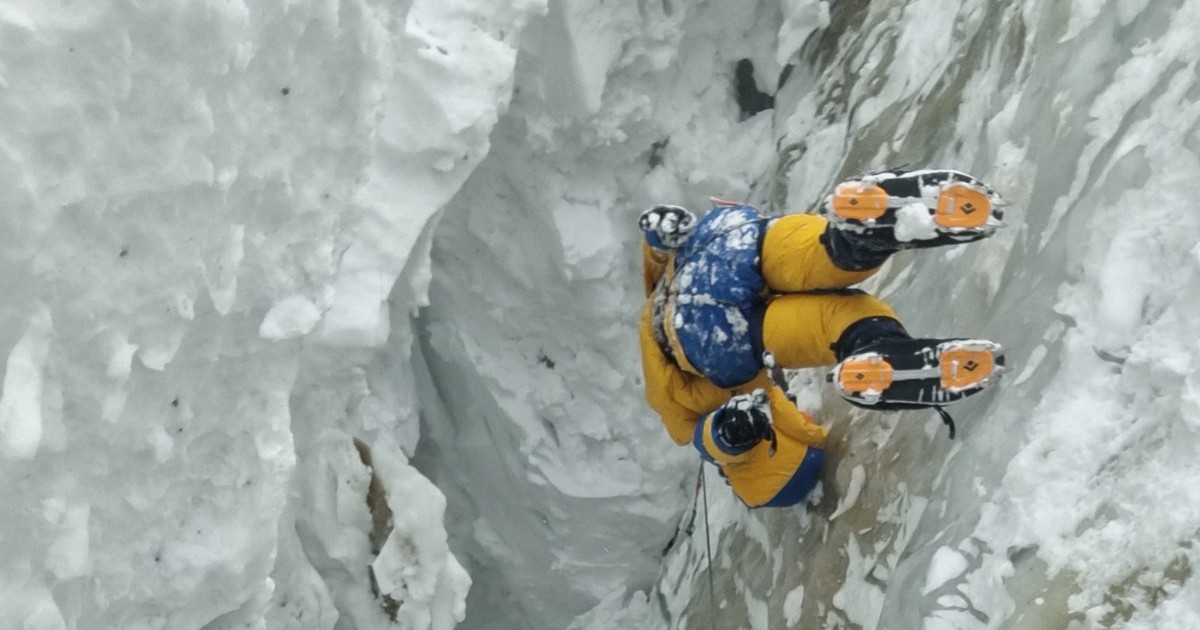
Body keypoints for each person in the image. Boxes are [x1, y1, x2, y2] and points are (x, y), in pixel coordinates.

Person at [638, 168, 1007, 508]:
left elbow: (702, 438)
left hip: (709, 338)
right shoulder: (658, 290)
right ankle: (856, 241)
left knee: (832, 323)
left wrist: (728, 436)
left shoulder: (672, 393)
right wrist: (660, 238)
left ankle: (876, 346)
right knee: (815, 254)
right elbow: (655, 265)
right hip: (727, 241)